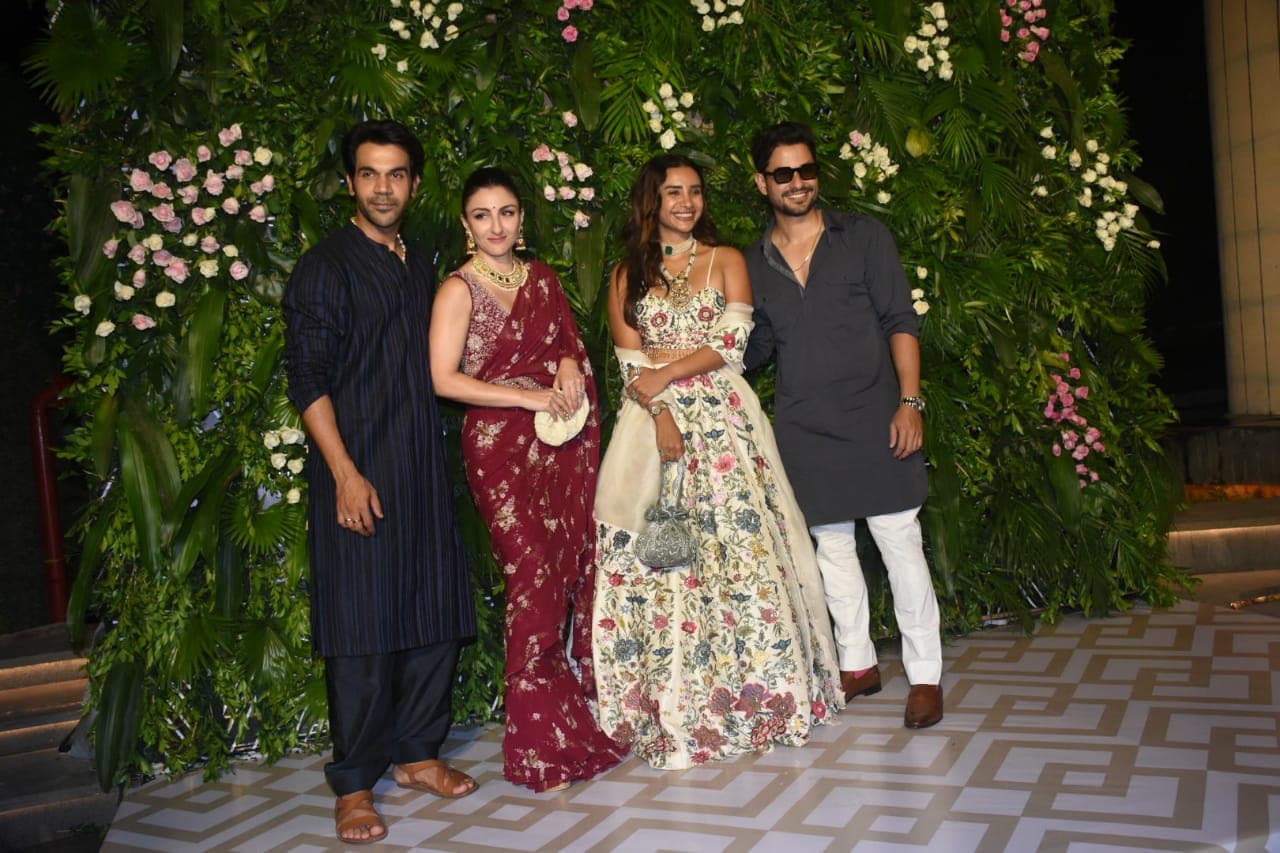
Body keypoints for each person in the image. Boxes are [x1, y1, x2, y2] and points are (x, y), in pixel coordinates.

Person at [592, 154, 844, 769]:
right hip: (652, 426)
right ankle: (669, 704)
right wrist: (662, 414)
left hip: (726, 423)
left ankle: (760, 695)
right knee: (658, 556)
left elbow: (729, 346)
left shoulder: (726, 259)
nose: (686, 202)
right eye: (672, 192)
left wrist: (669, 375)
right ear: (649, 201)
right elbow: (630, 365)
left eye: (695, 192)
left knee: (741, 550)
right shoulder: (626, 273)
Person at [283, 120, 478, 845]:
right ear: (350, 182)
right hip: (358, 467)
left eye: (396, 174)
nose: (384, 187)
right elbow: (306, 377)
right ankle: (356, 784)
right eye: (369, 174)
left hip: (423, 468)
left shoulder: (422, 260)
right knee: (361, 631)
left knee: (434, 617)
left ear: (415, 184)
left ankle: (419, 754)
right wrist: (342, 471)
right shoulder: (325, 267)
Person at [429, 167, 627, 792]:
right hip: (499, 449)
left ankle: (573, 717)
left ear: (521, 218)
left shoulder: (542, 279)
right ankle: (540, 744)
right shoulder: (457, 290)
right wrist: (528, 399)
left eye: (507, 212)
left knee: (566, 569)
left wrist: (568, 364)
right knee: (531, 576)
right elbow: (443, 380)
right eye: (482, 214)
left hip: (559, 445)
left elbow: (568, 343)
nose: (496, 225)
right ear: (466, 224)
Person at [743, 121, 944, 729]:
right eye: (784, 174)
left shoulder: (864, 238)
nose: (799, 183)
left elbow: (900, 321)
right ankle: (857, 664)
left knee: (898, 542)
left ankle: (926, 675)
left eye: (807, 171)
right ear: (762, 183)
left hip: (877, 416)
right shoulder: (752, 262)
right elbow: (753, 349)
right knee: (832, 548)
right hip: (805, 425)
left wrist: (910, 403)